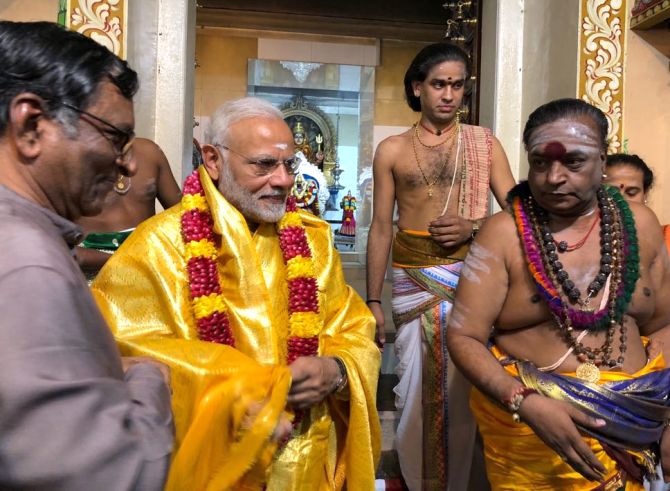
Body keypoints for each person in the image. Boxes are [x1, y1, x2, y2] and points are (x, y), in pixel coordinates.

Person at [91, 97, 381, 490]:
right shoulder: (158, 246)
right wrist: (232, 387)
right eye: (263, 164)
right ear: (212, 159)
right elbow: (121, 353)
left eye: (289, 165)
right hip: (210, 466)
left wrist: (339, 371)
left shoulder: (313, 240)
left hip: (302, 463)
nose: (282, 180)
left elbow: (351, 326)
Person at [447, 98, 670, 490]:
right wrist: (524, 402)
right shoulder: (503, 234)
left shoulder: (641, 226)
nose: (553, 177)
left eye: (573, 162)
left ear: (602, 160)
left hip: (637, 423)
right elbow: (464, 337)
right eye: (540, 162)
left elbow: (665, 325)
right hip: (535, 440)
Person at [0, 21, 174, 489]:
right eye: (115, 137)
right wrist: (147, 379)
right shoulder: (25, 258)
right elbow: (112, 474)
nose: (129, 163)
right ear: (31, 124)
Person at [365, 42, 515, 490]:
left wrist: (473, 226)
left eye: (457, 85)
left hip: (469, 280)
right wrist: (373, 299)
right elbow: (379, 228)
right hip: (412, 283)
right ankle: (418, 480)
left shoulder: (483, 143)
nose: (449, 95)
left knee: (463, 392)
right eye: (438, 84)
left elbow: (518, 211)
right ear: (418, 87)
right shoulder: (392, 149)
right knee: (413, 393)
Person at [76, 137, 181, 279]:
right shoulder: (69, 161)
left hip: (147, 278)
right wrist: (126, 261)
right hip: (92, 285)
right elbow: (52, 248)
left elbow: (185, 220)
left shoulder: (149, 152)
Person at [604, 153, 670, 251]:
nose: (622, 200)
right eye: (612, 192)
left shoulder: (666, 238)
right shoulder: (583, 241)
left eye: (631, 193)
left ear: (645, 195)